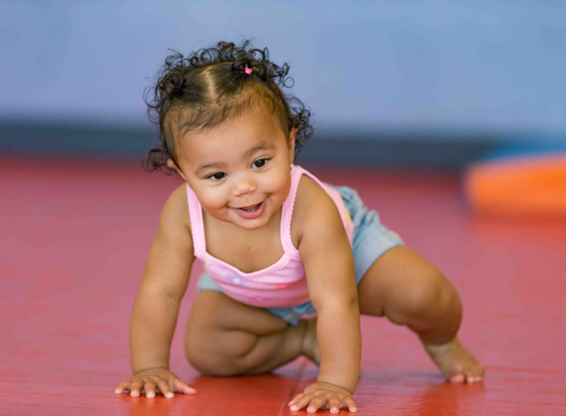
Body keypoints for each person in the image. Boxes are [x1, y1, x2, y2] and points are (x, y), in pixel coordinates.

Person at [114, 40, 484, 414]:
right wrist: (150, 367)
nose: (244, 188)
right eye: (217, 175)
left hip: (345, 264)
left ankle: (441, 343)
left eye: (259, 162)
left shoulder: (310, 208)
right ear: (183, 175)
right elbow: (159, 292)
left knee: (428, 297)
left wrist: (334, 382)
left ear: (289, 143)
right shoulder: (182, 213)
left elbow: (336, 301)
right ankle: (302, 338)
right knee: (210, 352)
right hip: (256, 292)